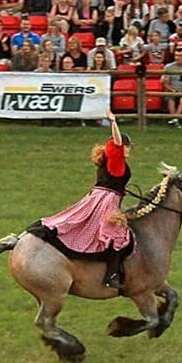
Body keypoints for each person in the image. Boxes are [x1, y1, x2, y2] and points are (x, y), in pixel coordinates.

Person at [13, 111, 134, 288]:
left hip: (99, 196)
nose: (130, 150)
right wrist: (113, 122)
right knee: (117, 237)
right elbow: (116, 143)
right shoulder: (116, 159)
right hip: (105, 201)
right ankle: (112, 275)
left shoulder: (108, 161)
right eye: (128, 146)